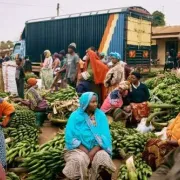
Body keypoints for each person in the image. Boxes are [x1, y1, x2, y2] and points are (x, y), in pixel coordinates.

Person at [63, 92, 116, 180]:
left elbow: (104, 136)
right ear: (85, 103)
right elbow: (70, 136)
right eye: (92, 102)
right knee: (79, 160)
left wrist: (93, 152)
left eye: (96, 101)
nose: (95, 104)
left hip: (98, 148)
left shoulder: (100, 115)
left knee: (103, 159)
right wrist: (86, 152)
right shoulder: (75, 116)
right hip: (78, 148)